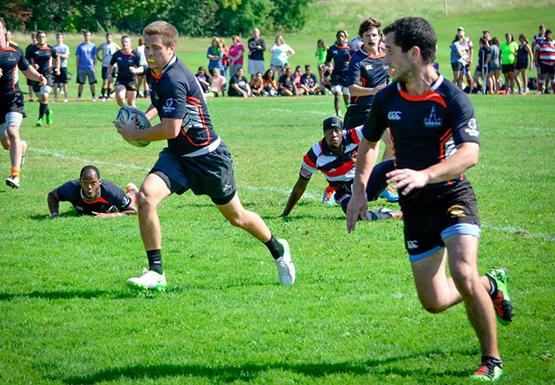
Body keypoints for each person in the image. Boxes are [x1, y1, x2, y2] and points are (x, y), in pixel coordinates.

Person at [346, 17, 513, 382]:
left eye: (390, 51)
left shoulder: (452, 97)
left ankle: (491, 360)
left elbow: (470, 153)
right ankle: (491, 285)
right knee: (434, 302)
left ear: (415, 53)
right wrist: (359, 191)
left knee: (463, 272)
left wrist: (424, 175)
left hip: (453, 195)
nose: (382, 57)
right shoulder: (388, 98)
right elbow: (369, 144)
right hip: (415, 207)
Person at [114, 21, 295, 290]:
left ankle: (278, 249)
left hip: (208, 158)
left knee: (237, 217)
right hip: (178, 156)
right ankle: (156, 272)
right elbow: (161, 103)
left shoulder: (175, 77)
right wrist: (143, 118)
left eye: (155, 48)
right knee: (145, 198)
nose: (149, 53)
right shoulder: (156, 71)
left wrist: (134, 133)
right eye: (146, 47)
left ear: (171, 48)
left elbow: (172, 128)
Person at [281, 116, 400, 220]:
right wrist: (286, 212)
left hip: (364, 183)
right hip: (345, 194)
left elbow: (378, 123)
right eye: (329, 131)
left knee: (396, 163)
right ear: (324, 133)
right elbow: (301, 185)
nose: (333, 135)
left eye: (336, 131)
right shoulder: (314, 156)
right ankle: (392, 215)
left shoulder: (353, 135)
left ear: (342, 131)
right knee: (358, 216)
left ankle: (416, 202)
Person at [345, 17, 397, 203]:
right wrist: (373, 91)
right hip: (359, 112)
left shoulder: (385, 55)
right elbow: (351, 88)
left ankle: (382, 185)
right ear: (361, 38)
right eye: (367, 35)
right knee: (348, 157)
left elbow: (394, 72)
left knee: (392, 144)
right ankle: (334, 188)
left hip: (381, 111)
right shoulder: (357, 59)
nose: (371, 38)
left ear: (380, 36)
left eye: (374, 34)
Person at [0, 17, 46, 188]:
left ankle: (15, 175)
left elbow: (27, 70)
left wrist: (39, 77)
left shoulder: (15, 50)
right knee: (6, 143)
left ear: (4, 30)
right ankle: (22, 147)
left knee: (13, 131)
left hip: (13, 98)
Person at [47, 165, 138, 218]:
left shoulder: (111, 191)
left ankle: (132, 190)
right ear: (80, 182)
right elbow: (52, 195)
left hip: (115, 202)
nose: (89, 187)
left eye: (93, 183)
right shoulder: (71, 188)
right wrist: (55, 214)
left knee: (129, 199)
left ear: (99, 182)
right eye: (85, 183)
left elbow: (133, 210)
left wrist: (111, 215)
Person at [29, 31, 60, 127]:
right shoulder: (31, 49)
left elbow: (57, 58)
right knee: (41, 99)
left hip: (48, 76)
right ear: (37, 38)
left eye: (43, 37)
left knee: (44, 96)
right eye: (39, 37)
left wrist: (57, 68)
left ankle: (39, 119)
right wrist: (33, 65)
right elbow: (26, 61)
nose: (41, 38)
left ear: (46, 38)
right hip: (36, 76)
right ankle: (48, 112)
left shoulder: (51, 49)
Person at [107, 35, 143, 107]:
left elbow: (141, 68)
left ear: (130, 43)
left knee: (131, 103)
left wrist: (135, 70)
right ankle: (125, 111)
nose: (124, 43)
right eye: (123, 42)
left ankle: (135, 117)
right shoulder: (117, 54)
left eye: (126, 42)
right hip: (120, 80)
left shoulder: (135, 54)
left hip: (131, 81)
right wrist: (109, 75)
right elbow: (110, 65)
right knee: (120, 97)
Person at [325, 30, 351, 117]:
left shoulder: (349, 49)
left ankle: (349, 110)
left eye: (342, 36)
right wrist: (329, 66)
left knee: (347, 97)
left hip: (347, 75)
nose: (340, 38)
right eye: (339, 36)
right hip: (336, 75)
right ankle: (338, 114)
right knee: (337, 94)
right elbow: (327, 61)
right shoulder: (332, 49)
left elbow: (354, 61)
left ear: (345, 38)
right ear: (336, 37)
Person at [75, 31, 98, 100]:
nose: (87, 37)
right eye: (85, 35)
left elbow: (95, 57)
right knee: (81, 83)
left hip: (90, 67)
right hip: (82, 67)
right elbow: (78, 58)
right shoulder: (80, 46)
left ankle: (93, 96)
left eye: (88, 35)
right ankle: (79, 96)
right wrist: (78, 67)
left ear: (90, 36)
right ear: (84, 36)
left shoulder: (93, 46)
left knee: (92, 83)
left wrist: (94, 67)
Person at [97, 33, 120, 101]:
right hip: (105, 65)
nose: (108, 38)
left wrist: (118, 60)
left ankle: (108, 96)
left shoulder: (115, 45)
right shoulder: (103, 45)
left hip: (113, 65)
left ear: (112, 38)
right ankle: (103, 95)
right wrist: (99, 58)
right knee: (105, 81)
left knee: (111, 81)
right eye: (107, 37)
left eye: (110, 37)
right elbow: (96, 51)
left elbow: (121, 51)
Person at [536, 29, 555, 94]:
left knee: (552, 77)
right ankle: (539, 90)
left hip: (552, 64)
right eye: (547, 34)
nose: (548, 36)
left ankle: (554, 90)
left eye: (549, 34)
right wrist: (536, 61)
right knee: (542, 77)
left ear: (551, 35)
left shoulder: (554, 42)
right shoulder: (541, 42)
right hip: (544, 63)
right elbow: (537, 52)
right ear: (545, 35)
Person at [53, 32, 70, 102]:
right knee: (55, 83)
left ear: (62, 38)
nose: (59, 39)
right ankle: (55, 98)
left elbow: (66, 56)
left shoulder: (65, 47)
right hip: (55, 66)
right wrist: (60, 56)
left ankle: (66, 98)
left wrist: (58, 56)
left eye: (60, 37)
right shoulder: (54, 47)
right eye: (57, 37)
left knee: (65, 82)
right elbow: (53, 57)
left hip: (63, 66)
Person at [24, 32, 38, 102]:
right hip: (30, 67)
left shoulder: (40, 47)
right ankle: (31, 97)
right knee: (30, 83)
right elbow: (26, 58)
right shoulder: (29, 47)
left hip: (39, 68)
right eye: (33, 37)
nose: (34, 39)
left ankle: (39, 97)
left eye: (36, 37)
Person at [533, 25, 546, 93]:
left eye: (543, 30)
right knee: (539, 72)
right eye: (541, 30)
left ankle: (544, 87)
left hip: (545, 57)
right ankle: (539, 87)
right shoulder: (536, 37)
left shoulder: (547, 38)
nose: (542, 31)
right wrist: (533, 56)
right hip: (538, 57)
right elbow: (533, 46)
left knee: (545, 73)